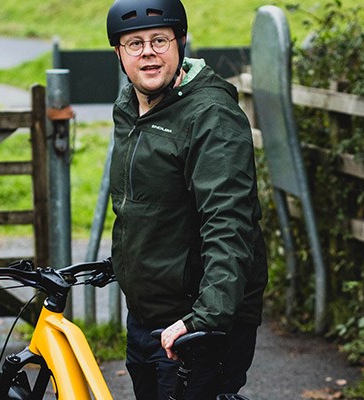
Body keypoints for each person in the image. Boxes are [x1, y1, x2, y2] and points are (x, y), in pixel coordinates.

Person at [106, 0, 268, 398]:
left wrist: (204, 319)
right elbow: (143, 207)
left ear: (180, 43)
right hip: (147, 317)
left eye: (159, 40)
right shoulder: (129, 108)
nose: (148, 52)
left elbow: (229, 223)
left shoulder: (211, 115)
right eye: (134, 43)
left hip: (197, 321)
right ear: (119, 54)